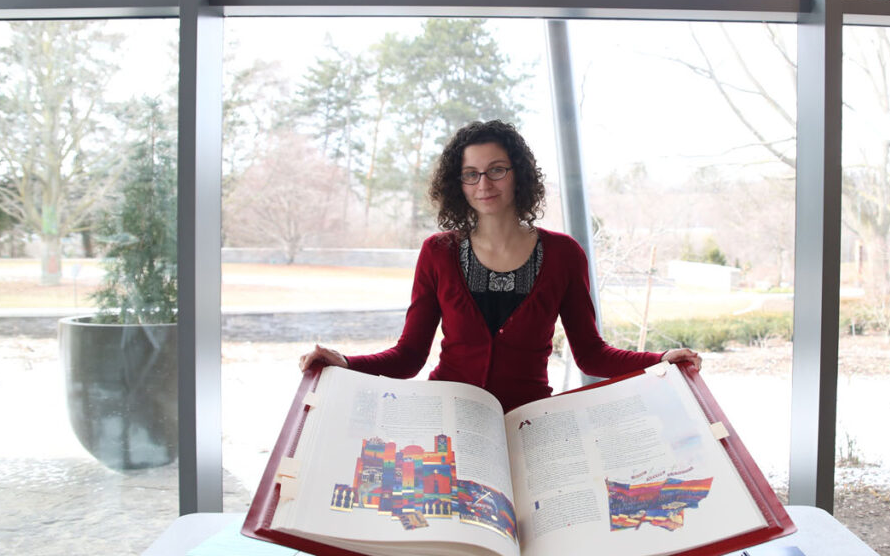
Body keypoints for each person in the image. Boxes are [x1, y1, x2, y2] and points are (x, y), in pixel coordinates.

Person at [299, 119, 700, 412]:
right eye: (470, 174)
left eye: (496, 170)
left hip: (530, 423)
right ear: (458, 184)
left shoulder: (564, 254)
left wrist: (659, 360)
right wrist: (346, 363)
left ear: (517, 174)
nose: (483, 184)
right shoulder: (437, 252)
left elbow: (591, 355)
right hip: (447, 416)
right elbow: (408, 357)